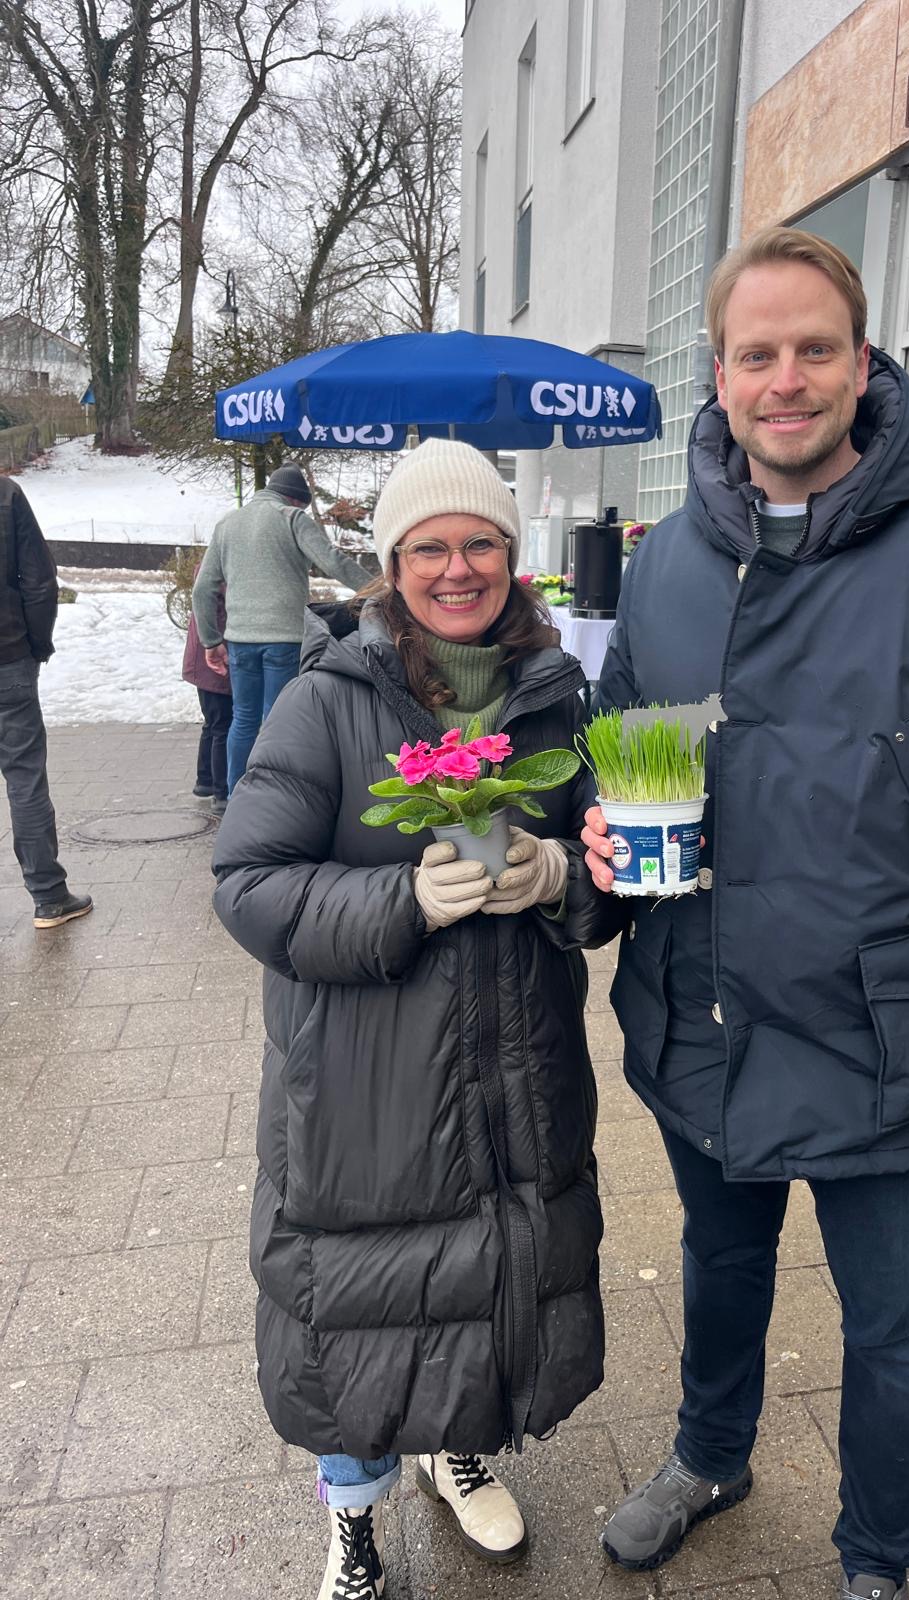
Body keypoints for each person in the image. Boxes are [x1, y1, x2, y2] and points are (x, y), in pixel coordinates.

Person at [582, 228, 909, 1600]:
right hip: (706, 1008)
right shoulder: (667, 560)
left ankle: (877, 1554)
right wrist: (601, 839)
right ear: (718, 375)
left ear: (863, 362)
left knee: (892, 1323)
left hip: (898, 1033)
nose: (787, 379)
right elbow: (624, 745)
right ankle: (711, 1454)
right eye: (756, 353)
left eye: (814, 348)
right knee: (719, 1262)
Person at [210, 439, 612, 1600]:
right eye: (428, 547)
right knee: (358, 1308)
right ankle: (351, 1523)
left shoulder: (555, 698)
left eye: (480, 542)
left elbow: (610, 877)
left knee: (486, 1275)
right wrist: (401, 900)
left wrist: (562, 878)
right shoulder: (328, 698)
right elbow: (247, 882)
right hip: (367, 1085)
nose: (456, 567)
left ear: (512, 553)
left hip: (517, 1074)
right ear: (392, 565)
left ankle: (457, 1447)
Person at [192, 462, 373, 794]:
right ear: (295, 500)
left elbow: (202, 588)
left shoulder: (228, 524)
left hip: (239, 640)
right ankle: (273, 799)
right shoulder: (292, 519)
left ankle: (235, 796)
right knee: (278, 721)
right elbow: (332, 561)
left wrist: (210, 641)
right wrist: (378, 590)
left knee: (243, 719)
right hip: (286, 639)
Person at [0, 477, 92, 928]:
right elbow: (38, 580)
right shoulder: (5, 494)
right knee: (26, 780)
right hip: (7, 657)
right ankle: (49, 896)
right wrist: (36, 645)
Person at [181, 584, 232, 814]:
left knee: (213, 723)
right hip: (216, 662)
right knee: (222, 726)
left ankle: (205, 781)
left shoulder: (207, 572)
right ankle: (222, 792)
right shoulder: (217, 574)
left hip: (203, 663)